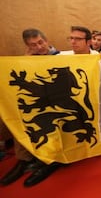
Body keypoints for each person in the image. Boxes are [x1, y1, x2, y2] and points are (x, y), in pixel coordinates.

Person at [0, 28, 61, 187]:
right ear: (28, 47)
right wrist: (25, 61)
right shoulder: (27, 58)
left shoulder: (60, 57)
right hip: (36, 101)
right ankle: (23, 160)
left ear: (46, 41)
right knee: (20, 120)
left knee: (49, 121)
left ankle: (50, 161)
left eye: (40, 42)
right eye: (33, 45)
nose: (39, 47)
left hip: (55, 103)